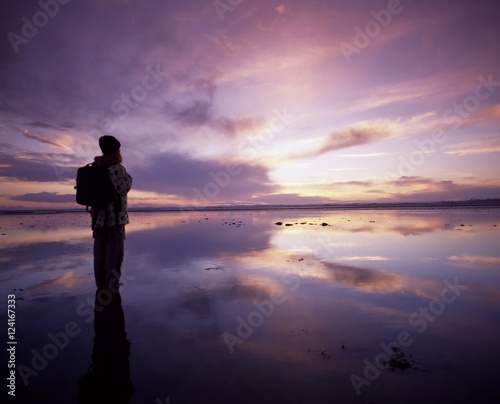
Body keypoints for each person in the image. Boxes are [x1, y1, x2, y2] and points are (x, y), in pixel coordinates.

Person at [92, 135, 132, 290]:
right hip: (115, 219)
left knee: (100, 254)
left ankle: (101, 286)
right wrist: (129, 178)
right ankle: (111, 288)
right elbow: (123, 188)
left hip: (98, 219)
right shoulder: (116, 168)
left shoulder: (96, 167)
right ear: (116, 150)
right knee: (115, 256)